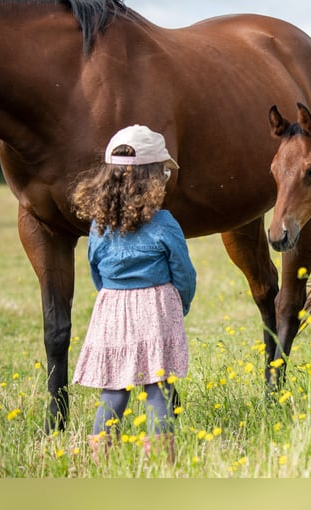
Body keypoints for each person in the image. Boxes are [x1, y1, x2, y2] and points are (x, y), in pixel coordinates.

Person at [70, 124, 196, 464]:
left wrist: (114, 298)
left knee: (113, 389)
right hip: (156, 310)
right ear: (155, 178)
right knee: (158, 388)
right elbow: (183, 272)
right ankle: (160, 459)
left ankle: (99, 458)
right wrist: (178, 303)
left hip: (112, 309)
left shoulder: (98, 225)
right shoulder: (165, 222)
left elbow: (96, 270)